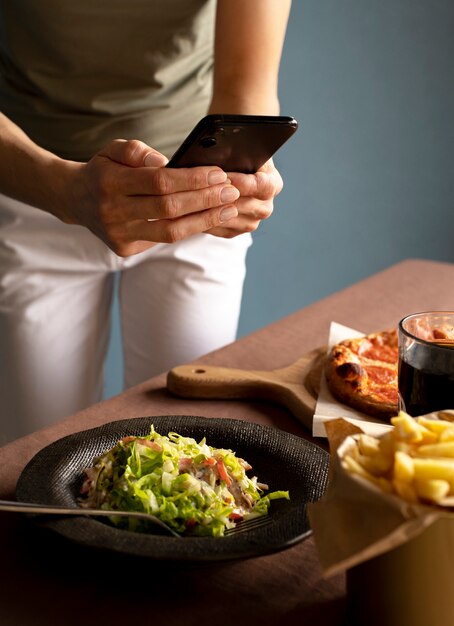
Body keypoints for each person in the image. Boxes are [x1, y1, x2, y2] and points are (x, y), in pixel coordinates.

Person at [0, 0, 292, 444]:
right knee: (33, 451)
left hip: (191, 195)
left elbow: (245, 87)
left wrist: (242, 172)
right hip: (31, 187)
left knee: (189, 449)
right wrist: (62, 191)